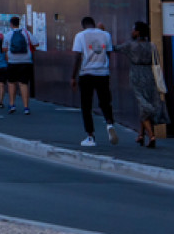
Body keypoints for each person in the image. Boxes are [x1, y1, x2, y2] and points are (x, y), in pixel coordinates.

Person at [70, 15, 118, 147]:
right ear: (94, 23)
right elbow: (108, 53)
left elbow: (77, 57)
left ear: (83, 25)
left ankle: (90, 136)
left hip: (86, 73)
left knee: (86, 105)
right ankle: (109, 124)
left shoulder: (80, 36)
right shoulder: (106, 35)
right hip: (103, 73)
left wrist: (73, 77)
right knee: (105, 102)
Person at [119, 21, 168, 148]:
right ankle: (141, 135)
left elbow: (115, 48)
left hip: (136, 76)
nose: (132, 32)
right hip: (150, 75)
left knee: (143, 105)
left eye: (133, 29)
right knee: (145, 103)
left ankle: (151, 136)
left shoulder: (131, 45)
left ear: (138, 32)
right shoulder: (151, 45)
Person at [4, 16, 35, 114]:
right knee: (23, 84)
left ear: (11, 24)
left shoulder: (8, 34)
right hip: (26, 61)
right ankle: (26, 107)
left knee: (11, 83)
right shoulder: (26, 33)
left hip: (12, 61)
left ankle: (12, 105)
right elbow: (36, 43)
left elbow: (4, 48)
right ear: (19, 23)